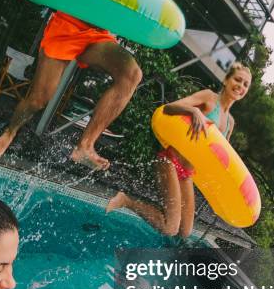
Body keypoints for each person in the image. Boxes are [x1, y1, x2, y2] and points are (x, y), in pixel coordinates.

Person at [0, 0, 154, 170]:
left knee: (132, 74)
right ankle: (11, 131)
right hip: (67, 25)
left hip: (97, 34)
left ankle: (85, 146)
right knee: (38, 99)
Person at [106, 62, 252, 238]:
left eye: (246, 84)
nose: (241, 86)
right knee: (170, 228)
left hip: (187, 173)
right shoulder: (209, 97)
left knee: (184, 232)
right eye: (238, 79)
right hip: (170, 160)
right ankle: (125, 200)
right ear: (226, 80)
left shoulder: (230, 122)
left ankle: (159, 216)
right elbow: (169, 108)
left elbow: (218, 159)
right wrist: (194, 112)